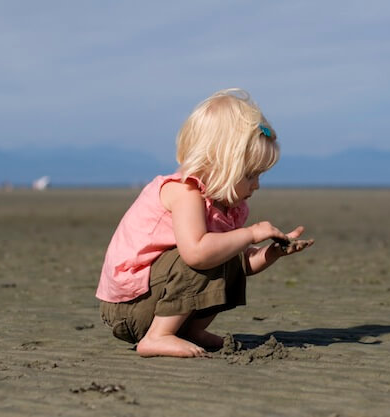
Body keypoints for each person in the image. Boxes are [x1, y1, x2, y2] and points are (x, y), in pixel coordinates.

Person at [96, 88, 313, 358]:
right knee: (202, 253)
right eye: (250, 175)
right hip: (128, 307)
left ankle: (189, 331)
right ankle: (157, 336)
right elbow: (196, 253)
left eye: (260, 176)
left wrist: (273, 253)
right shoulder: (185, 192)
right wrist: (251, 233)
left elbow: (239, 264)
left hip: (154, 301)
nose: (256, 185)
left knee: (224, 252)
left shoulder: (228, 208)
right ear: (218, 163)